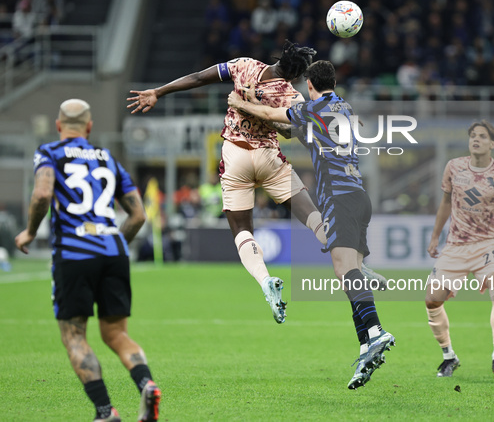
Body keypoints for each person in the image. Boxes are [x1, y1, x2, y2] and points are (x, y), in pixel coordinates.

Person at [127, 40, 329, 324]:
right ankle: (349, 258)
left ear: (280, 57)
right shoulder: (292, 97)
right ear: (296, 75)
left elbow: (198, 78)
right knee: (311, 215)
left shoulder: (243, 65)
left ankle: (265, 281)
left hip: (235, 156)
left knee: (242, 229)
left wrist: (158, 92)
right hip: (269, 158)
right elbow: (288, 132)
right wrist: (265, 112)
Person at [227, 60, 394, 390]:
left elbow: (272, 117)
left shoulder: (312, 107)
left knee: (346, 272)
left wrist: (239, 103)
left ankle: (375, 331)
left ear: (309, 86)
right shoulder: (343, 107)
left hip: (339, 198)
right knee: (348, 274)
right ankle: (364, 348)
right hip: (360, 196)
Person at [15, 99, 161, 422]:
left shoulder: (50, 152)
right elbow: (138, 215)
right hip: (113, 249)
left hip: (75, 251)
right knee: (116, 334)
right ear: (90, 127)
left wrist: (28, 232)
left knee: (74, 336)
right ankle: (147, 384)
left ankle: (105, 411)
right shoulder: (107, 158)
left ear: (58, 126)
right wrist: (115, 244)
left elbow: (42, 194)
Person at [424, 120, 494, 378]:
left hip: (488, 244)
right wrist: (436, 236)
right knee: (432, 300)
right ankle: (449, 357)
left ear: (493, 144)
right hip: (455, 245)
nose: (475, 139)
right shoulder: (454, 167)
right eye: (472, 136)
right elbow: (445, 202)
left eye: (482, 136)